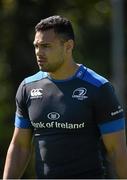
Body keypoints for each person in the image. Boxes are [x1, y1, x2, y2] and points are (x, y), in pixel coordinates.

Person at [3, 15, 127, 179]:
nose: (39, 52)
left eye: (46, 46)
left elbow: (117, 150)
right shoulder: (28, 87)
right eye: (36, 46)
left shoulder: (98, 88)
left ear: (68, 46)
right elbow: (20, 146)